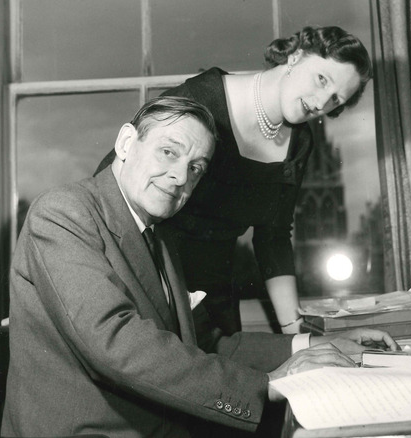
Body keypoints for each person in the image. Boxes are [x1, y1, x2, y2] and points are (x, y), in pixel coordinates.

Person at [2, 96, 398, 438]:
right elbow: (115, 343)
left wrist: (315, 345)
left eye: (196, 168)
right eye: (169, 152)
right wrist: (269, 384)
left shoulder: (159, 234)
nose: (179, 177)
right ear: (126, 143)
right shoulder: (63, 213)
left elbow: (207, 343)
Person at [94, 26, 373, 335]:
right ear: (296, 58)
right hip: (150, 283)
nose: (321, 102)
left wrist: (295, 331)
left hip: (218, 295)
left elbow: (274, 237)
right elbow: (109, 186)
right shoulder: (201, 99)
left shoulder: (300, 142)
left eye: (335, 99)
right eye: (322, 79)